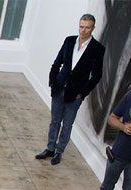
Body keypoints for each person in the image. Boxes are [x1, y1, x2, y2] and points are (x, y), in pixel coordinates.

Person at [35, 14, 104, 165]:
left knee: (67, 124)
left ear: (93, 28)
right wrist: (53, 82)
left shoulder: (97, 48)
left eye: (87, 28)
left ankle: (59, 151)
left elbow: (96, 75)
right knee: (54, 121)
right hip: (59, 87)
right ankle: (50, 148)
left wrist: (82, 93)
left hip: (75, 93)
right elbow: (57, 62)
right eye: (81, 26)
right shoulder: (69, 40)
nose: (83, 30)